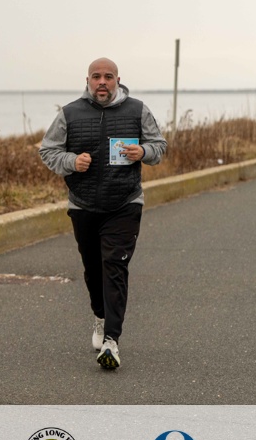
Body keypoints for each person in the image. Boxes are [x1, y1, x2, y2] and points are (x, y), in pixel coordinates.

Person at [38, 57, 167, 370]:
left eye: (108, 77)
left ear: (117, 80)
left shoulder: (137, 110)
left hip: (125, 203)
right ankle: (99, 315)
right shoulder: (69, 113)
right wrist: (71, 162)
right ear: (87, 80)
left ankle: (111, 340)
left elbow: (159, 147)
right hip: (83, 205)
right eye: (96, 76)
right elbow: (48, 151)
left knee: (115, 266)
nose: (102, 82)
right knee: (93, 269)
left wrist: (143, 151)